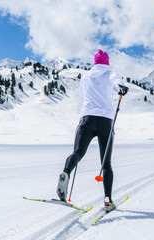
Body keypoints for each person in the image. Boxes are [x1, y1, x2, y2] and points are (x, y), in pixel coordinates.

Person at [57, 49, 129, 212]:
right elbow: (116, 80)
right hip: (105, 121)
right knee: (106, 163)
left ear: (95, 62)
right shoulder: (109, 73)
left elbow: (82, 98)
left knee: (77, 153)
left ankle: (66, 173)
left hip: (87, 119)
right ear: (106, 62)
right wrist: (121, 87)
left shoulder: (86, 76)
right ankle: (108, 200)